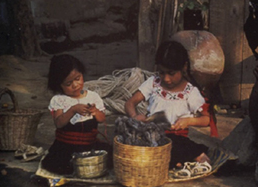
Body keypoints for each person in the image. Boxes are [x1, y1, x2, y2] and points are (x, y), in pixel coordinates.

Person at [125, 41, 217, 169]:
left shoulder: (190, 92)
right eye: (162, 73)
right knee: (131, 141)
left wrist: (188, 121)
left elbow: (207, 119)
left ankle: (186, 159)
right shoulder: (153, 83)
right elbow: (130, 103)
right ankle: (179, 162)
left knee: (176, 145)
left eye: (171, 73)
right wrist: (134, 116)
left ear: (184, 67)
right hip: (151, 135)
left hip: (176, 138)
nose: (166, 78)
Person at [41, 54, 112, 175]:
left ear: (82, 75)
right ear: (59, 85)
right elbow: (59, 123)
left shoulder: (93, 96)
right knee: (54, 163)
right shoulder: (59, 100)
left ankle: (78, 166)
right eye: (68, 84)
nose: (75, 85)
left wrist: (95, 111)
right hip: (66, 146)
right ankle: (72, 167)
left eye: (78, 78)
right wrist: (72, 110)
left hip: (89, 144)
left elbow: (101, 119)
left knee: (110, 155)